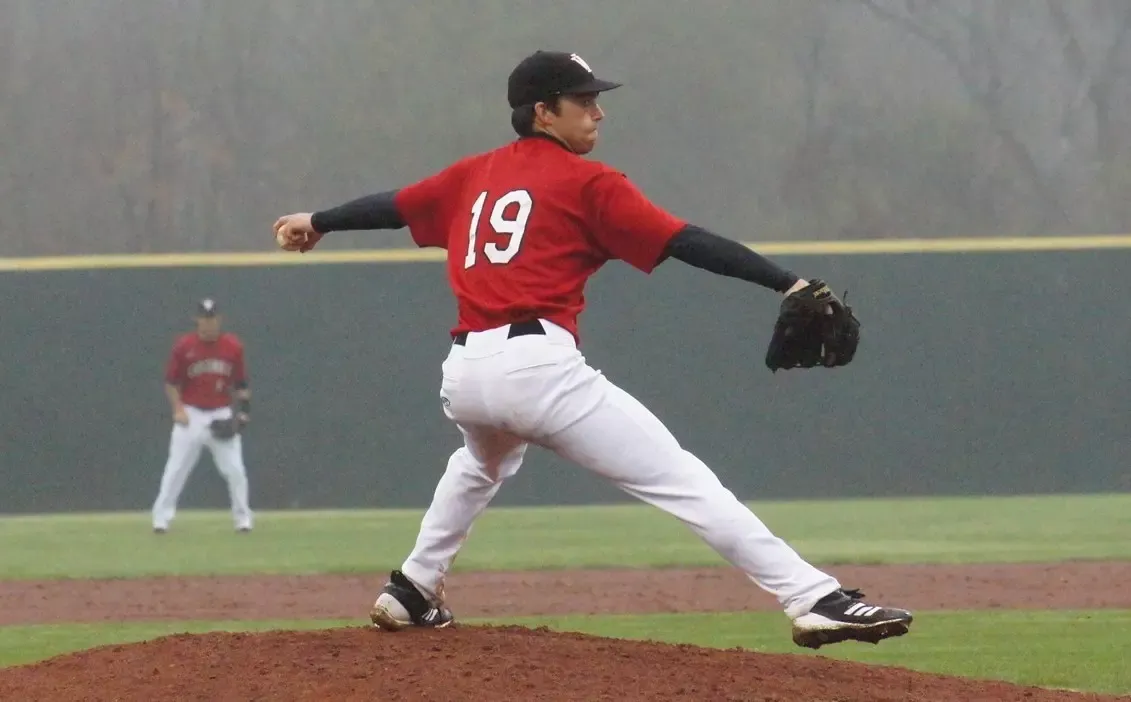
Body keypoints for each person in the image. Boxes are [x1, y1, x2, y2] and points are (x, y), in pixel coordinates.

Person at [272, 50, 912, 649]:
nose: (598, 111)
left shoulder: (475, 174)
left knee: (480, 463)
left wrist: (319, 220)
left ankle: (412, 587)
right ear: (542, 113)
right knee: (681, 478)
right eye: (581, 100)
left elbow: (392, 206)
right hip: (537, 367)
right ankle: (812, 597)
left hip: (466, 372)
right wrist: (787, 280)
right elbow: (686, 240)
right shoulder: (589, 183)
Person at [151, 298, 254, 534]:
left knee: (235, 470)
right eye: (204, 319)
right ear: (197, 320)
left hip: (220, 413)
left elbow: (241, 383)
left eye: (213, 319)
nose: (208, 324)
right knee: (176, 469)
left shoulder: (233, 346)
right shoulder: (184, 346)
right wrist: (178, 409)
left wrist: (244, 414)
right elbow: (171, 383)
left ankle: (243, 520)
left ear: (219, 320)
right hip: (191, 413)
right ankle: (161, 519)